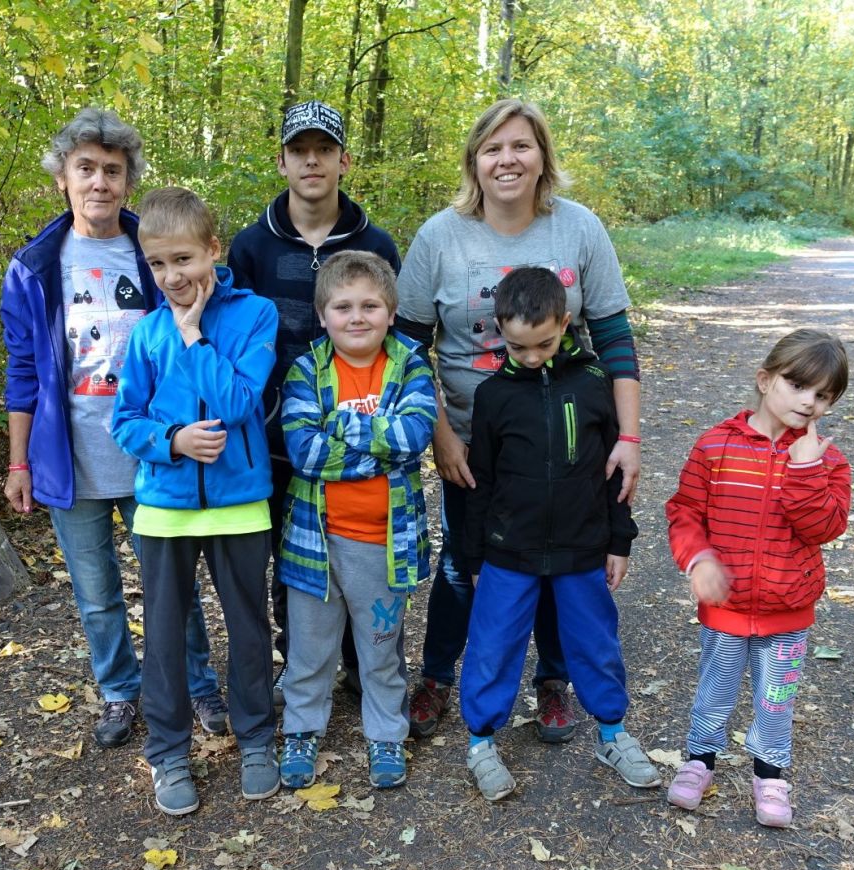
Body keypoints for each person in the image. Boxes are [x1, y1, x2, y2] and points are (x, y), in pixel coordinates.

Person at [394, 98, 642, 743]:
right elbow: (407, 350)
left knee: (561, 561)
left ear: (542, 157)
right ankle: (438, 675)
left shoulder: (579, 229)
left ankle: (552, 682)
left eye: (521, 146)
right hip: (472, 442)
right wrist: (442, 437)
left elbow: (615, 340)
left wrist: (629, 438)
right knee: (465, 559)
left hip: (566, 439)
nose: (507, 160)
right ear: (474, 161)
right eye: (493, 148)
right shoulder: (440, 237)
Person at [1, 108, 226, 751]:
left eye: (113, 171)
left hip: (156, 452)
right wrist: (19, 462)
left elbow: (205, 309)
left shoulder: (151, 251)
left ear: (128, 182)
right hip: (72, 455)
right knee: (96, 592)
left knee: (172, 586)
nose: (99, 182)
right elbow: (22, 371)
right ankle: (120, 691)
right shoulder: (34, 267)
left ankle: (197, 685)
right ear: (63, 179)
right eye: (86, 169)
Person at [110, 187, 280, 816]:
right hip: (164, 507)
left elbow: (237, 402)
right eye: (157, 264)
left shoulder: (255, 315)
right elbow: (125, 421)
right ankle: (169, 752)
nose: (171, 276)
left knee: (248, 628)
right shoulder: (147, 332)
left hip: (240, 502)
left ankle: (256, 740)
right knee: (163, 637)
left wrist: (193, 336)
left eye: (183, 259)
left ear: (213, 249)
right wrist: (172, 441)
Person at [456, 268, 656, 801]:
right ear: (500, 330)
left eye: (543, 344)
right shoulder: (493, 395)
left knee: (595, 642)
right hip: (507, 553)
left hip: (582, 547)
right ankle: (480, 742)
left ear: (565, 323)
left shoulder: (593, 383)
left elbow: (614, 473)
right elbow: (481, 482)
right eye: (517, 346)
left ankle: (611, 734)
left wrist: (619, 541)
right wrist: (474, 556)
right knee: (493, 646)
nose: (531, 356)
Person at [228, 100, 402, 698]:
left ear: (343, 160)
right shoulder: (252, 247)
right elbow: (235, 338)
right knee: (295, 554)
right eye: (298, 151)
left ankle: (367, 664)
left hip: (364, 431)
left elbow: (397, 335)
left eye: (323, 150)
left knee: (367, 548)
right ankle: (301, 663)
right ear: (281, 162)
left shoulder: (375, 243)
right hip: (278, 438)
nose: (311, 161)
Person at [665, 329, 851, 828]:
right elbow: (685, 511)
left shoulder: (828, 461)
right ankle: (699, 760)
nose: (809, 402)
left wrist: (806, 472)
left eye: (823, 395)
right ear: (765, 380)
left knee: (776, 700)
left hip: (787, 612)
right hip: (726, 610)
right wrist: (699, 559)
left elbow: (826, 527)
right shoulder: (716, 446)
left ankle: (770, 775)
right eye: (798, 385)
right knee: (715, 690)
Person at [275, 252, 436, 791]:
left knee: (381, 648)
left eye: (370, 305)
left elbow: (415, 435)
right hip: (315, 543)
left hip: (384, 544)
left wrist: (340, 426)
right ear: (323, 315)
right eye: (343, 307)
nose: (357, 317)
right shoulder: (307, 370)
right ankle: (302, 729)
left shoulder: (410, 366)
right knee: (309, 650)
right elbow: (304, 452)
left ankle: (386, 733)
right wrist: (380, 450)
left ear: (391, 311)